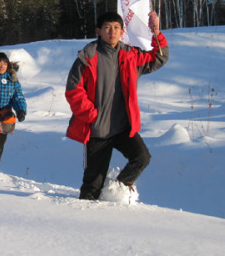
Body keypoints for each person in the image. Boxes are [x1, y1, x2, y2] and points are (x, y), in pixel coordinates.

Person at [65, 11, 169, 200]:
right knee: (92, 185)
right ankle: (84, 219)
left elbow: (158, 57)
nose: (111, 31)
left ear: (122, 31)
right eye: (107, 27)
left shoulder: (131, 56)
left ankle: (115, 191)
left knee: (142, 158)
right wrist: (91, 115)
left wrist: (156, 33)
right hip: (97, 130)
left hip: (122, 128)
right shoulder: (87, 57)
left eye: (116, 28)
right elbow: (73, 90)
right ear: (98, 31)